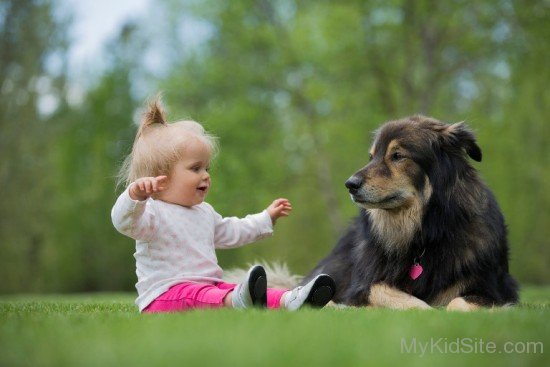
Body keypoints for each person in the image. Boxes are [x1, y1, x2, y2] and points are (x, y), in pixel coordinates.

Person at [111, 96, 335, 313]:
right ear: (161, 177)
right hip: (165, 295)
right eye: (195, 168)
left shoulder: (204, 213)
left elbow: (233, 230)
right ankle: (238, 300)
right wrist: (134, 195)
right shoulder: (151, 212)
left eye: (207, 169)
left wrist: (266, 218)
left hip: (210, 289)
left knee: (226, 290)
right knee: (199, 294)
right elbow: (124, 222)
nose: (206, 176)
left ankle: (290, 299)